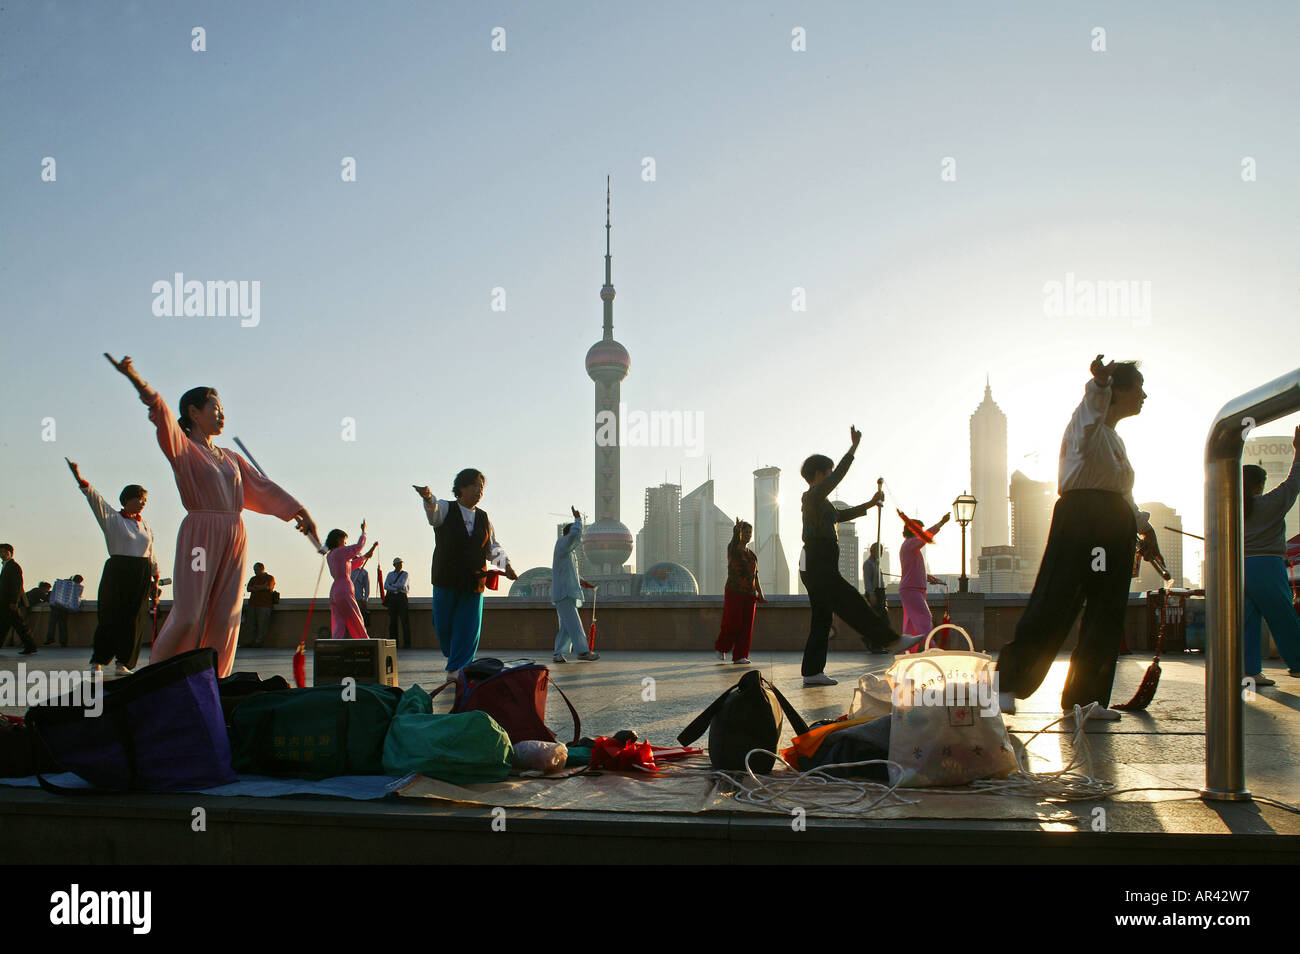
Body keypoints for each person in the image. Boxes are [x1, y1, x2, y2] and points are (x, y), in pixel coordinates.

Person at [106, 353, 318, 678]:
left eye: (222, 410)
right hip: (201, 536)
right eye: (215, 410)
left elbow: (261, 487)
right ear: (193, 412)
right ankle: (163, 676)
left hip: (235, 534)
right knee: (190, 612)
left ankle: (214, 679)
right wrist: (135, 377)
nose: (221, 416)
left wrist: (298, 511)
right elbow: (160, 413)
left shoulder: (230, 457)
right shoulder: (183, 448)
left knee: (227, 615)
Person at [996, 356, 1163, 722]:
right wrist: (1099, 385)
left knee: (1106, 610)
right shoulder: (1085, 425)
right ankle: (1006, 685)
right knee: (1056, 599)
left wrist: (1142, 527)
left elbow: (1120, 492)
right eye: (1139, 388)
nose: (1145, 395)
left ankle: (1085, 700)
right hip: (1083, 522)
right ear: (1119, 390)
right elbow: (1091, 412)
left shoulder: (1114, 439)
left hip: (1111, 526)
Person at [798, 427, 921, 687]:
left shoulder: (822, 503)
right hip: (817, 559)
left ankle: (812, 671)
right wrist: (853, 449)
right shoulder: (813, 495)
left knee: (822, 617)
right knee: (850, 600)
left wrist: (870, 503)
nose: (831, 476)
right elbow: (838, 477)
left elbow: (841, 516)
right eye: (828, 472)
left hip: (817, 561)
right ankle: (890, 640)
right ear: (819, 474)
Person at [414, 470, 518, 680]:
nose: (479, 491)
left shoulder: (483, 517)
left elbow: (492, 547)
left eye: (482, 487)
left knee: (468, 625)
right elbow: (433, 514)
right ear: (461, 487)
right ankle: (454, 656)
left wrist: (506, 566)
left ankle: (457, 668)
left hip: (474, 580)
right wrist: (427, 497)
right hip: (446, 578)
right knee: (442, 624)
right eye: (475, 486)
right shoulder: (445, 507)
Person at [67, 459, 158, 674]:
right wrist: (79, 477)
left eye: (145, 499)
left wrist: (155, 575)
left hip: (141, 572)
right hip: (118, 569)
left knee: (134, 619)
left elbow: (152, 552)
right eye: (139, 498)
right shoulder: (113, 519)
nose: (142, 502)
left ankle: (123, 663)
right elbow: (94, 499)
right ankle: (97, 661)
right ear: (127, 500)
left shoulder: (145, 525)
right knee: (110, 616)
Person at [1242, 425, 1300, 685]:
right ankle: (1298, 664)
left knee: (1248, 621)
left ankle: (1250, 670)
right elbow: (1294, 481)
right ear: (1259, 485)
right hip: (1267, 564)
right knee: (1283, 617)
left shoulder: (1229, 509)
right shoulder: (1268, 504)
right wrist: (1298, 452)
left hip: (1238, 567)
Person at [715, 517, 766, 665]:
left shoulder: (752, 555)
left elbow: (755, 576)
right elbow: (734, 539)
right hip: (734, 591)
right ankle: (722, 647)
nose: (748, 535)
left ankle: (740, 656)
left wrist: (760, 593)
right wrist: (737, 529)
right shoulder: (733, 549)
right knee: (733, 622)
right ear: (740, 534)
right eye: (746, 532)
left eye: (750, 532)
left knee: (746, 626)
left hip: (750, 595)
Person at [552, 506, 598, 663]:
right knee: (575, 624)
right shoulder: (562, 544)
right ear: (568, 534)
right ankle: (583, 652)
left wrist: (582, 581)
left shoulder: (567, 552)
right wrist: (577, 520)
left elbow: (570, 572)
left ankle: (558, 653)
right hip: (564, 593)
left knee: (566, 627)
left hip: (566, 593)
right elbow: (575, 536)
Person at [898, 511, 951, 637]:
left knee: (912, 624)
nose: (921, 532)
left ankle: (908, 652)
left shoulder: (909, 546)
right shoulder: (910, 544)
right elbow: (926, 537)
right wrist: (941, 523)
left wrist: (926, 577)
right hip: (912, 589)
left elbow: (912, 569)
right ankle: (931, 647)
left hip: (912, 589)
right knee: (925, 618)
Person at [327, 523, 378, 639]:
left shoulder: (331, 555)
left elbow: (350, 565)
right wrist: (363, 532)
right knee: (356, 618)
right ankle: (365, 643)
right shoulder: (340, 551)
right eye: (344, 542)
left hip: (334, 591)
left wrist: (364, 557)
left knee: (339, 622)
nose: (345, 544)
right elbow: (357, 547)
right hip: (344, 589)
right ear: (339, 540)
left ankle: (335, 644)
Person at [0, 544, 38, 655]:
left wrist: (14, 601)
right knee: (4, 625)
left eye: (5, 552)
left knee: (19, 625)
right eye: (1, 552)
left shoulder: (14, 566)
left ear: (10, 553)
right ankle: (30, 646)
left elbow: (17, 585)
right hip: (5, 602)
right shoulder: (6, 566)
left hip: (10, 603)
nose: (2, 555)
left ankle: (31, 646)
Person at [45, 574, 85, 647]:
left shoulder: (62, 583)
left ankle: (50, 638)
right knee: (63, 624)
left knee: (52, 623)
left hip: (56, 606)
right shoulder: (75, 587)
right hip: (65, 608)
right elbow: (76, 598)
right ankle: (63, 642)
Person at [244, 563, 276, 648]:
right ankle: (249, 642)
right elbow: (248, 588)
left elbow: (267, 587)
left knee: (262, 625)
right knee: (251, 624)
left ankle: (258, 642)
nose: (255, 571)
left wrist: (256, 587)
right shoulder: (253, 579)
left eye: (256, 569)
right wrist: (260, 587)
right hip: (253, 604)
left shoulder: (270, 578)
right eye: (254, 570)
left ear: (262, 569)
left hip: (264, 605)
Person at [385, 558, 412, 648]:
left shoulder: (405, 574)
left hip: (401, 598)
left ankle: (407, 644)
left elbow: (402, 585)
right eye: (398, 564)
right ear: (394, 565)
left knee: (405, 621)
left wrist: (392, 586)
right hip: (393, 599)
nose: (400, 565)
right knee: (393, 622)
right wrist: (395, 588)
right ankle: (394, 644)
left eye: (400, 563)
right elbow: (385, 585)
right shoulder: (390, 574)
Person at [350, 549, 374, 630]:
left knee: (359, 621)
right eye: (353, 558)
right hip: (348, 598)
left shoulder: (364, 572)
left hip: (359, 599)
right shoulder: (347, 570)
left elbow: (367, 587)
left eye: (356, 558)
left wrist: (365, 599)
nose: (354, 560)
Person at [863, 543, 885, 613]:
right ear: (873, 551)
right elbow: (867, 581)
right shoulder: (868, 563)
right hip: (875, 594)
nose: (881, 553)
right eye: (880, 551)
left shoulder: (876, 563)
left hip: (880, 592)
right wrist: (871, 594)